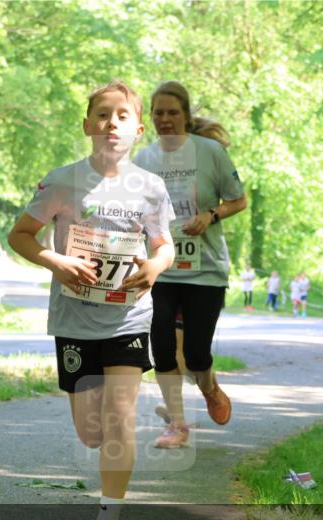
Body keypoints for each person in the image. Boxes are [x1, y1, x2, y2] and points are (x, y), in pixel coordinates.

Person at [8, 80, 174, 520]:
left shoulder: (151, 188)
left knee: (121, 419)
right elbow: (20, 236)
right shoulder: (62, 181)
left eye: (122, 115)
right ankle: (104, 485)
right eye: (102, 114)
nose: (111, 123)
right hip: (74, 320)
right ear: (87, 126)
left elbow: (163, 245)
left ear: (138, 130)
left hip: (129, 317)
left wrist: (155, 267)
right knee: (92, 432)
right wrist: (56, 261)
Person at [132, 81, 246, 449]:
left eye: (172, 112)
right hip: (162, 267)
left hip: (206, 269)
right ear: (150, 117)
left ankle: (210, 388)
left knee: (196, 355)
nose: (165, 119)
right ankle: (177, 424)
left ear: (185, 115)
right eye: (158, 113)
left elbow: (239, 200)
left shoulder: (210, 152)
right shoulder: (143, 161)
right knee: (162, 346)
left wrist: (211, 215)